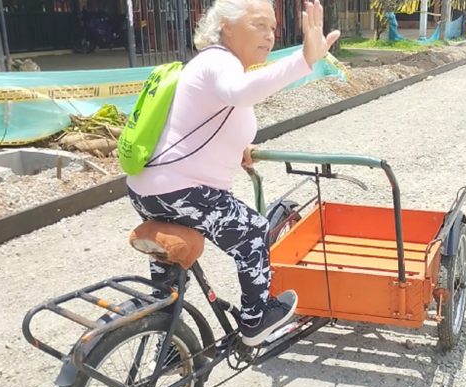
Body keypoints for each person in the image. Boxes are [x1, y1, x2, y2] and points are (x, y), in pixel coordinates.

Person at [126, 0, 340, 347]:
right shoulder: (218, 61)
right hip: (182, 191)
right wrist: (304, 60)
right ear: (226, 27)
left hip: (150, 189)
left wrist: (238, 147)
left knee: (170, 271)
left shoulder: (211, 65)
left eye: (273, 28)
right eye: (259, 25)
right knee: (254, 231)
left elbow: (199, 121)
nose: (270, 36)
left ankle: (163, 341)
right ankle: (256, 320)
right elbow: (239, 93)